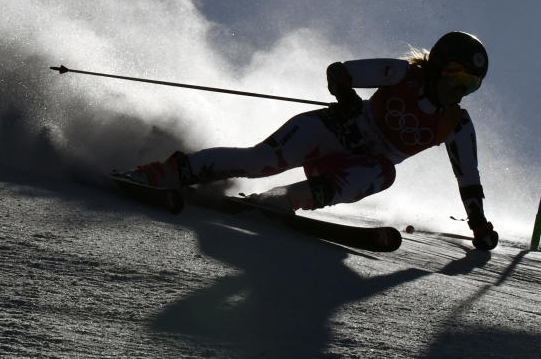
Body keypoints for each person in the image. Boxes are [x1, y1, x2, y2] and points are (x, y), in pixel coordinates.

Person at [119, 31, 498, 250]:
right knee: (259, 161)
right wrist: (348, 100)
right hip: (329, 132)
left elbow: (469, 177)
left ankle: (285, 200)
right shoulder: (402, 74)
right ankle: (161, 172)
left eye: (470, 85)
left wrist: (478, 222)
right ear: (436, 67)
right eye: (454, 77)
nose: (458, 90)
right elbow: (341, 72)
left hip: (353, 166)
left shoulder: (457, 124)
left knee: (382, 172)